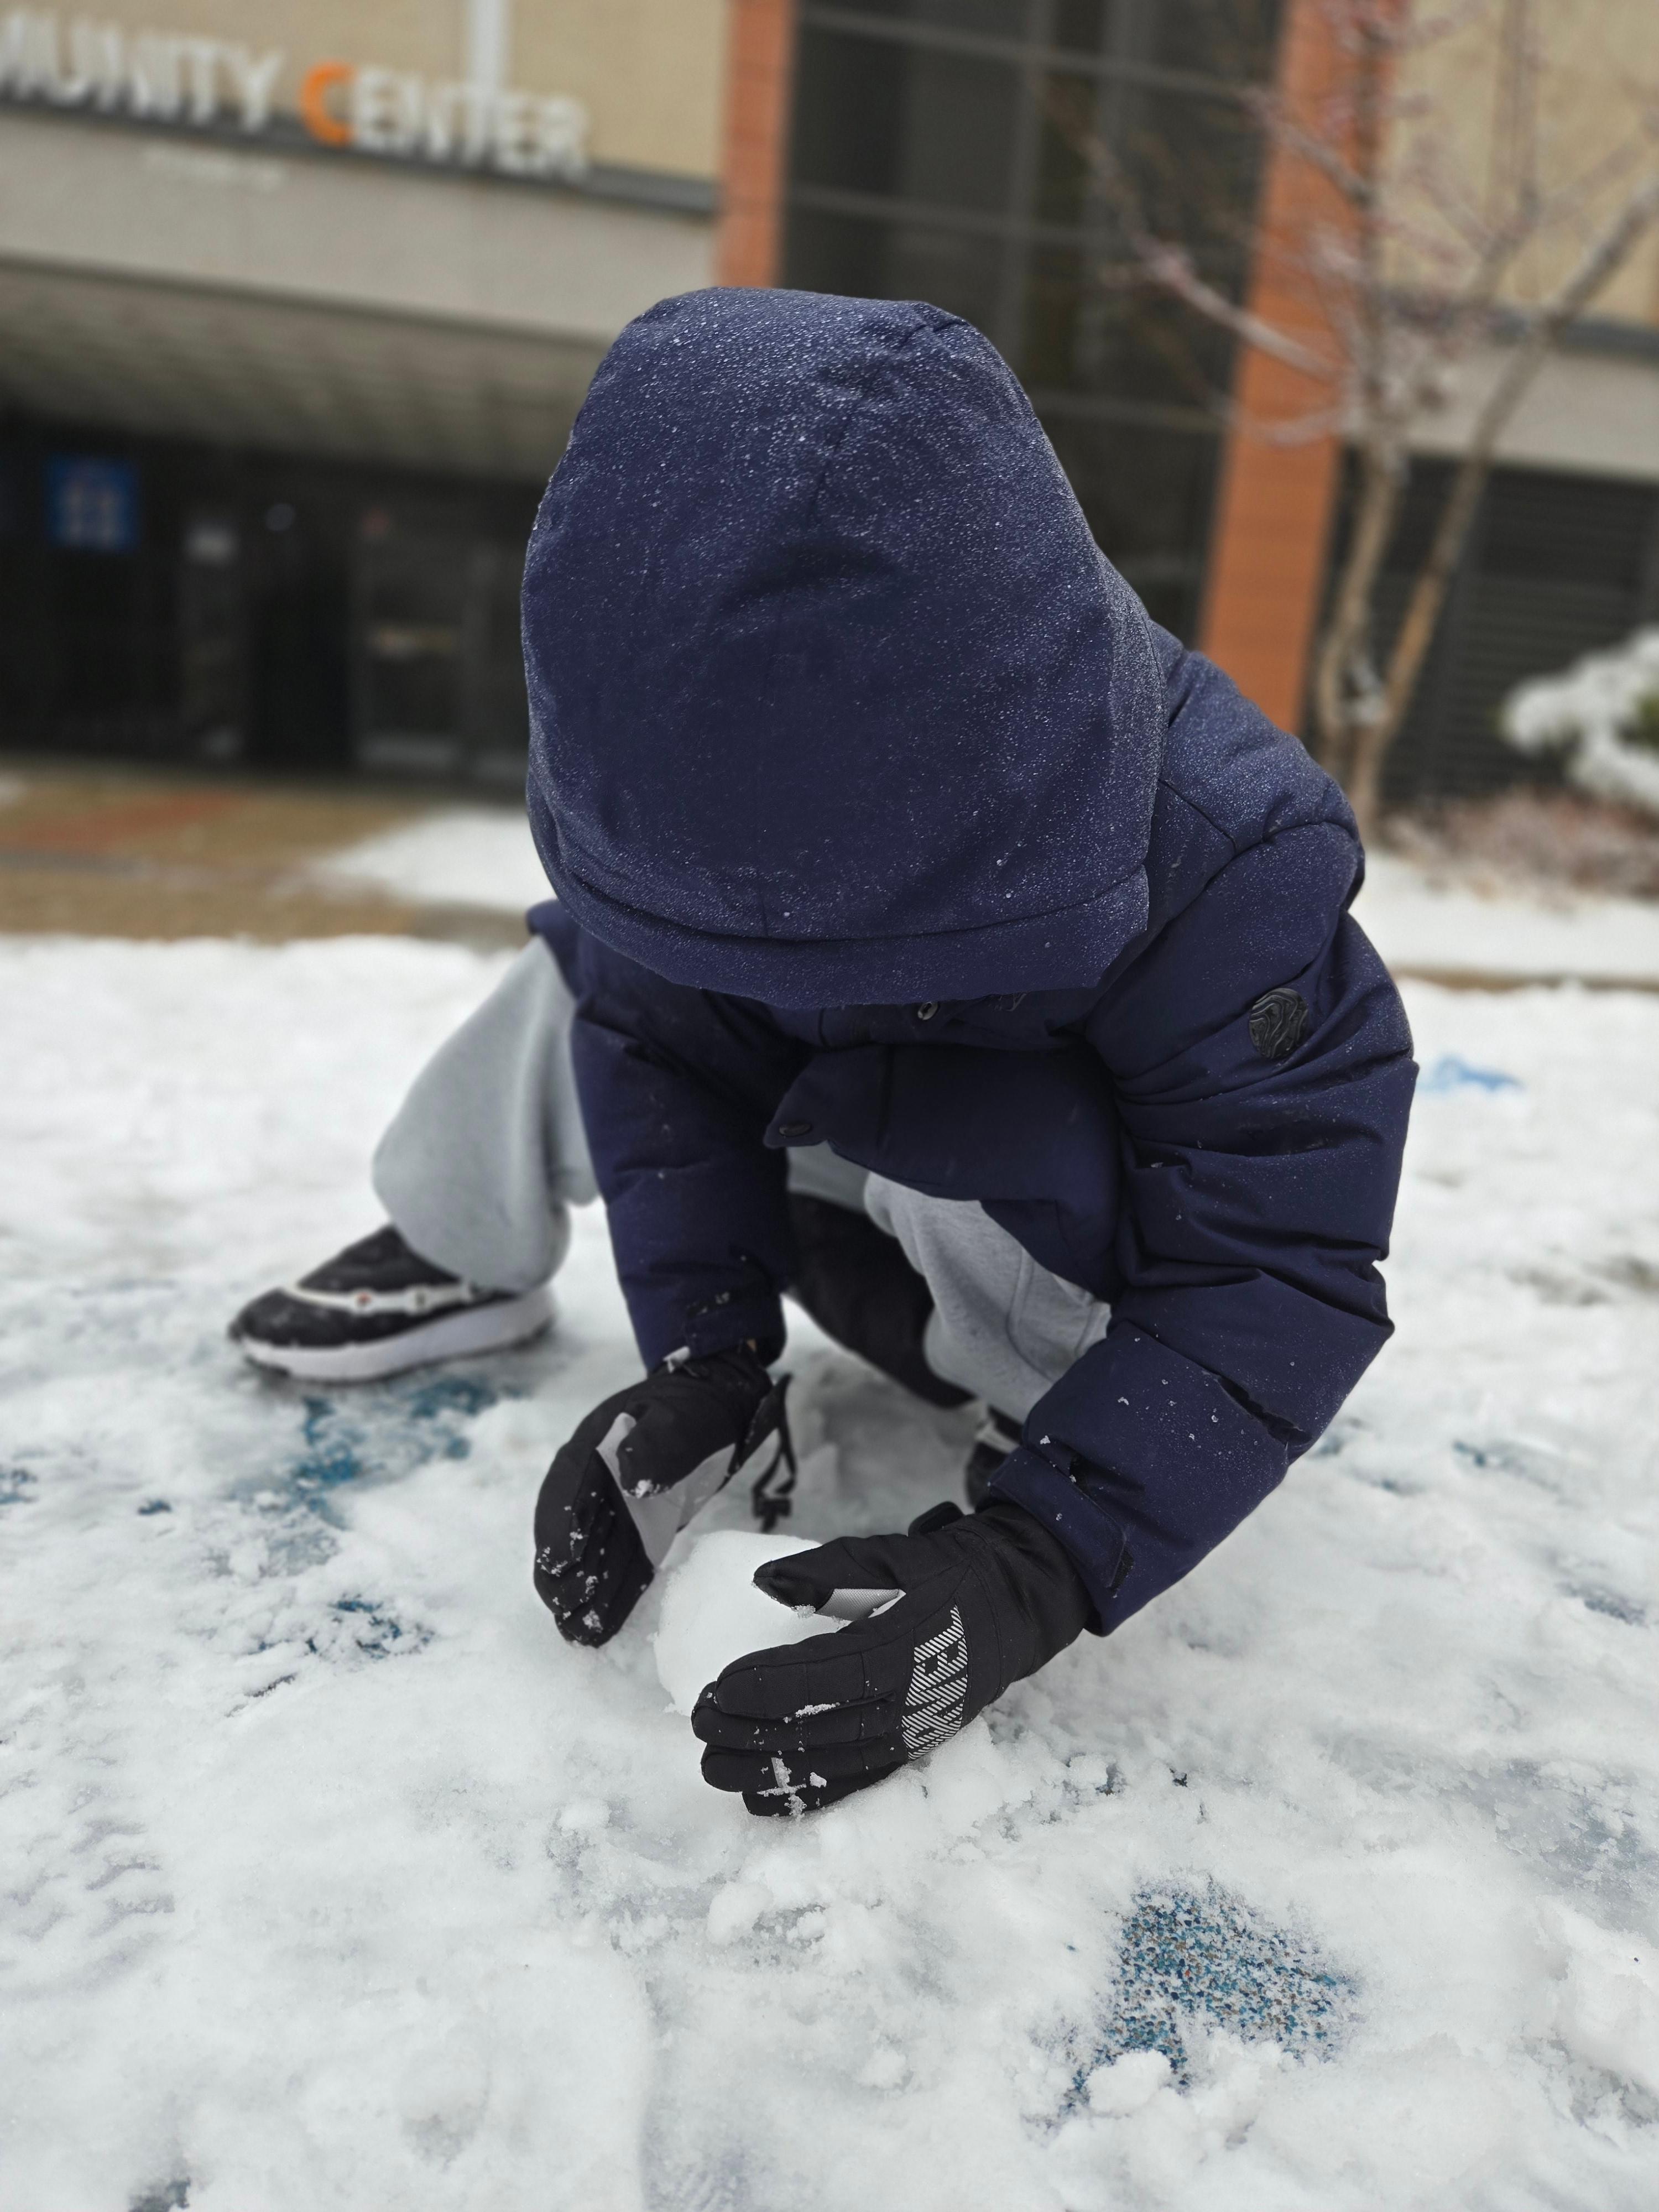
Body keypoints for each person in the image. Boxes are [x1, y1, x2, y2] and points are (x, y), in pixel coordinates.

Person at [234, 288, 1415, 1818]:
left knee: (989, 1116)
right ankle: (464, 1224)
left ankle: (1035, 1429)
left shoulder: (1225, 859)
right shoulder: (683, 812)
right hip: (831, 1181)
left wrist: (1030, 1566)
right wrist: (706, 1356)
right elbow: (653, 1040)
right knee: (588, 964)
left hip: (1057, 1292)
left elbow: (1281, 1261)